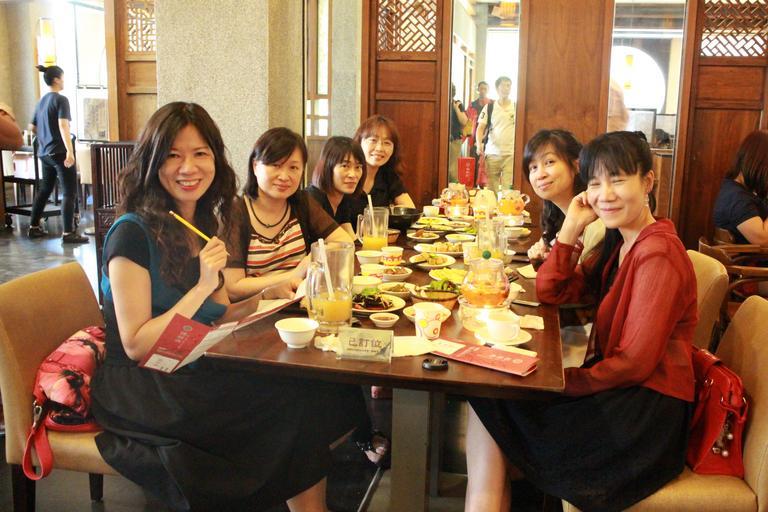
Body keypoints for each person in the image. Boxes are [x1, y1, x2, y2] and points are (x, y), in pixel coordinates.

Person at [91, 102, 350, 511]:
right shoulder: (131, 234)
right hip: (144, 385)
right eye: (172, 155)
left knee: (307, 393)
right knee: (289, 408)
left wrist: (264, 299)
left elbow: (220, 315)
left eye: (200, 153)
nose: (188, 167)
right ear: (152, 163)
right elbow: (138, 343)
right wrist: (201, 286)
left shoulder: (201, 226)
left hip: (191, 361)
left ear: (215, 159)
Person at [465, 131, 696, 512]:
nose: (605, 194)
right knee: (490, 394)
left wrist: (558, 382)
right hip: (620, 394)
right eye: (595, 183)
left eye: (618, 180)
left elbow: (635, 363)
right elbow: (551, 290)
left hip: (642, 419)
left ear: (648, 182)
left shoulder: (658, 255)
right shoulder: (620, 244)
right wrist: (570, 227)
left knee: (494, 399)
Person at [224, 128, 353, 301]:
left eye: (293, 167)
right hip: (257, 311)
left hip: (300, 304)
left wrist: (314, 258)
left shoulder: (301, 202)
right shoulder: (235, 212)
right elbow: (233, 287)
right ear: (255, 166)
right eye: (275, 165)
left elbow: (344, 242)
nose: (284, 176)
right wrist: (294, 274)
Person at [523, 129, 604, 264]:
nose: (540, 175)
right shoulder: (555, 219)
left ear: (577, 165)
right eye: (533, 167)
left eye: (549, 162)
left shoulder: (595, 221)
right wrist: (544, 261)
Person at [28, 65, 87, 243]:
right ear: (56, 80)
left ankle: (34, 227)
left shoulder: (41, 101)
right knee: (69, 191)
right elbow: (63, 125)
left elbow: (32, 128)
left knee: (45, 189)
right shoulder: (61, 100)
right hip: (59, 151)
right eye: (62, 77)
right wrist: (70, 151)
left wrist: (45, 137)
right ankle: (68, 233)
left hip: (44, 152)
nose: (63, 81)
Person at [351, 115, 415, 218]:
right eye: (373, 140)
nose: (379, 148)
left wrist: (385, 213)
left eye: (387, 143)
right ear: (359, 142)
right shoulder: (347, 175)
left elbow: (410, 210)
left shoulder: (388, 175)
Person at [713, 130, 768, 245]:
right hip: (750, 257)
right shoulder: (736, 198)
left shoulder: (735, 189)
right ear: (758, 165)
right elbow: (762, 239)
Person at [306, 136, 366, 237]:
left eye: (358, 167)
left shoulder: (343, 199)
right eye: (345, 166)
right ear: (327, 167)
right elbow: (341, 241)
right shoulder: (313, 199)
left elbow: (349, 238)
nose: (353, 175)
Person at [476, 76, 516, 191]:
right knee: (491, 189)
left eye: (508, 86)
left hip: (510, 154)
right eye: (503, 85)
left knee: (508, 191)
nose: (506, 88)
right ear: (497, 88)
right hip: (492, 154)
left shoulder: (516, 107)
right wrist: (479, 144)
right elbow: (480, 128)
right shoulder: (489, 107)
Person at [448, 83, 468, 183]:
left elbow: (464, 121)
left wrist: (456, 109)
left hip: (454, 140)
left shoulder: (457, 104)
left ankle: (453, 189)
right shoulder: (440, 101)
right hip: (441, 140)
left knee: (452, 170)